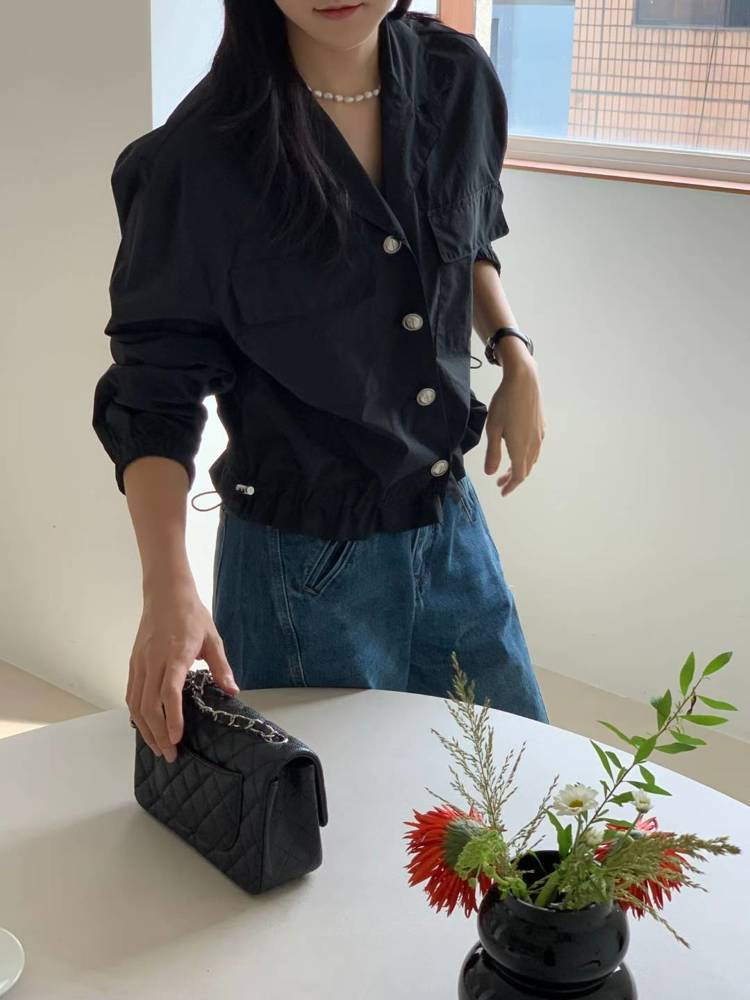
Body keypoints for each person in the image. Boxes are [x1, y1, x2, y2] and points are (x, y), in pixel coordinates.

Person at [92, 0, 550, 765]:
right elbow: (154, 390)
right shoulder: (202, 157)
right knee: (340, 817)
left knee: (519, 782)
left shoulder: (456, 78)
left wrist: (512, 350)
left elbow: (461, 232)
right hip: (301, 565)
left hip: (448, 522)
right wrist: (166, 587)